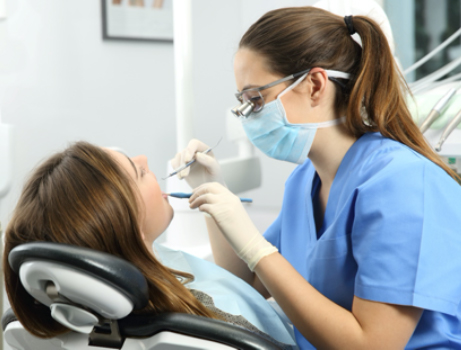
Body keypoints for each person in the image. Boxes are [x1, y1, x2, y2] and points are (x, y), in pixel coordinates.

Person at [171, 6, 461, 349]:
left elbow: (372, 345)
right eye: (243, 103)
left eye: (256, 100)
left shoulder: (404, 183)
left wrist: (255, 246)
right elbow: (248, 280)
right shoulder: (303, 182)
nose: (246, 117)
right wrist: (212, 191)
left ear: (315, 85)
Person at [2, 141, 297, 348]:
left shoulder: (108, 296)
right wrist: (255, 247)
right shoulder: (210, 323)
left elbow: (233, 284)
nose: (144, 158)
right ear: (131, 230)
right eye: (138, 172)